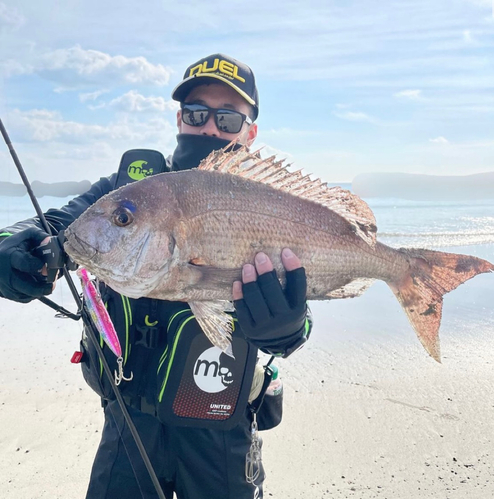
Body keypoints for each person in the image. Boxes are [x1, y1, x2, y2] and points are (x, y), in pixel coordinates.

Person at [0, 53, 312, 499]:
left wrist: (287, 330)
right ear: (179, 118)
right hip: (127, 425)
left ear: (251, 131)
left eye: (227, 118)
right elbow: (57, 226)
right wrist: (11, 247)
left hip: (221, 431)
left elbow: (306, 303)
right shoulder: (130, 194)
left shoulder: (272, 203)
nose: (209, 129)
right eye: (197, 114)